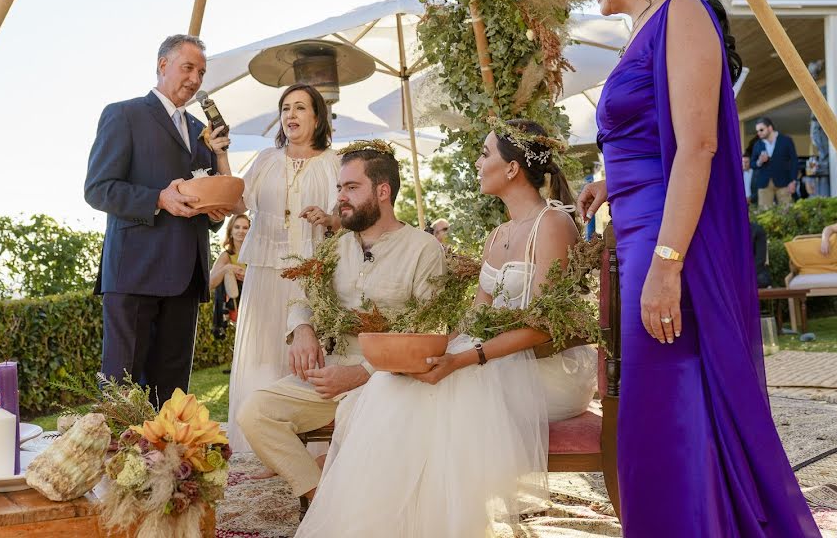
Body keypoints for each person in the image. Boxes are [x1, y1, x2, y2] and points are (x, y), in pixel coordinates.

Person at [578, 0, 819, 536]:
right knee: (656, 410)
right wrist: (614, 181)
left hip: (669, 247)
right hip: (641, 239)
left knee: (676, 409)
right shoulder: (641, 29)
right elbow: (656, 135)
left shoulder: (682, 13)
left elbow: (698, 146)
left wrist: (666, 265)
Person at [296, 121, 598, 537]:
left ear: (512, 169)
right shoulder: (497, 236)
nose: (478, 162)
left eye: (486, 153)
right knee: (390, 385)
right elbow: (475, 319)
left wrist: (462, 360)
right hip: (493, 358)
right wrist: (428, 353)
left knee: (413, 403)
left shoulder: (552, 225)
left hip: (548, 369)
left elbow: (548, 327)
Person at [239, 143, 446, 504]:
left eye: (351, 188)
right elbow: (303, 298)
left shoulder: (423, 249)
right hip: (330, 376)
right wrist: (302, 329)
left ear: (383, 192)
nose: (340, 198)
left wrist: (363, 373)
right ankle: (319, 495)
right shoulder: (335, 247)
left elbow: (427, 333)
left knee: (358, 422)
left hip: (391, 384)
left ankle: (342, 492)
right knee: (254, 411)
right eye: (339, 189)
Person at [84, 34, 232, 407]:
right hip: (135, 273)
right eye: (188, 68)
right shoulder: (123, 114)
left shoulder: (203, 133)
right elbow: (98, 188)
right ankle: (120, 466)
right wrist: (157, 198)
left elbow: (207, 208)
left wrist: (213, 212)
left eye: (201, 72)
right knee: (123, 394)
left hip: (186, 277)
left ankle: (168, 465)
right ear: (162, 65)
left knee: (172, 397)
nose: (196, 79)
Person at [227, 83, 342, 454]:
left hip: (312, 272)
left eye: (300, 108)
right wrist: (221, 156)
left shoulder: (334, 162)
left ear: (317, 116)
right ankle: (260, 444)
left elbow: (349, 212)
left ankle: (304, 446)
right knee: (263, 352)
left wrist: (329, 217)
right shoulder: (265, 159)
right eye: (285, 108)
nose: (290, 115)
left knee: (305, 353)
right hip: (265, 271)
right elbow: (235, 201)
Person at [210, 214, 250, 339]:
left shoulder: (255, 255)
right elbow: (210, 283)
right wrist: (227, 268)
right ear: (231, 231)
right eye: (237, 227)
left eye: (245, 228)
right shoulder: (226, 256)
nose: (241, 231)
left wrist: (248, 277)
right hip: (237, 311)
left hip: (256, 305)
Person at [751, 116, 798, 210]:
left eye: (761, 130)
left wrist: (793, 180)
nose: (758, 133)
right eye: (757, 131)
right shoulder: (757, 144)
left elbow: (794, 161)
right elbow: (752, 164)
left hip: (784, 182)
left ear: (770, 128)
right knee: (764, 214)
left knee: (787, 212)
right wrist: (759, 161)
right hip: (764, 184)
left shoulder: (786, 141)